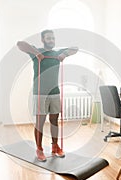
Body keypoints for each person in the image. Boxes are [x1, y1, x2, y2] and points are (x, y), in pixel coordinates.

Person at [17, 30, 78, 162]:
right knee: (40, 123)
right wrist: (36, 53)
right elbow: (20, 44)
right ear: (43, 40)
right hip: (40, 93)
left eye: (53, 38)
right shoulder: (35, 51)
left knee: (54, 121)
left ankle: (55, 146)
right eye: (48, 38)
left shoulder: (57, 53)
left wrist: (64, 54)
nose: (51, 40)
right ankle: (39, 149)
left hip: (55, 92)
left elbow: (75, 48)